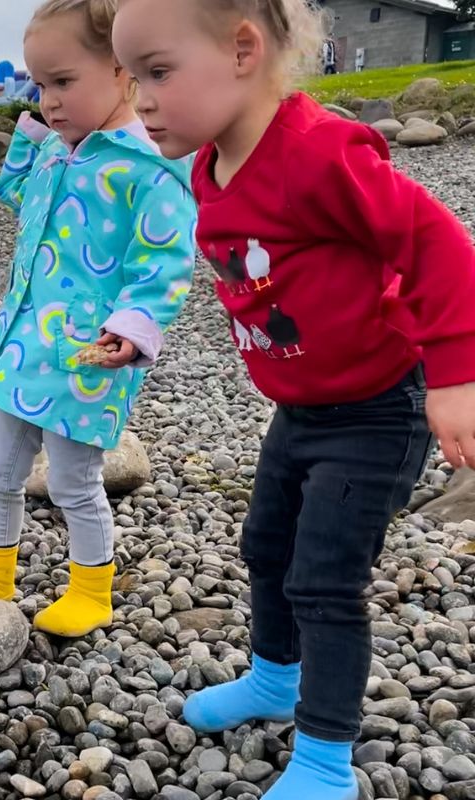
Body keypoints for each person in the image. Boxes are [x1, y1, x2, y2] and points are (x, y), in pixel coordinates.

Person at [113, 0, 475, 798]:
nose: (139, 98)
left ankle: (324, 760)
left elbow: (439, 243)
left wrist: (453, 378)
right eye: (131, 76)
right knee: (265, 547)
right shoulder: (208, 166)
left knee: (324, 578)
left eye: (159, 72)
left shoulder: (318, 154)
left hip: (380, 408)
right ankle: (275, 679)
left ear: (243, 49)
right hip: (302, 409)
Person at [0, 0, 197, 637]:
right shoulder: (59, 152)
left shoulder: (147, 167)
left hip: (84, 356)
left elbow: (164, 260)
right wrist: (30, 143)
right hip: (23, 347)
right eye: (39, 84)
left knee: (75, 480)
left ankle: (91, 588)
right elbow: (14, 196)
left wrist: (134, 328)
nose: (47, 99)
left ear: (120, 69)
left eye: (63, 82)